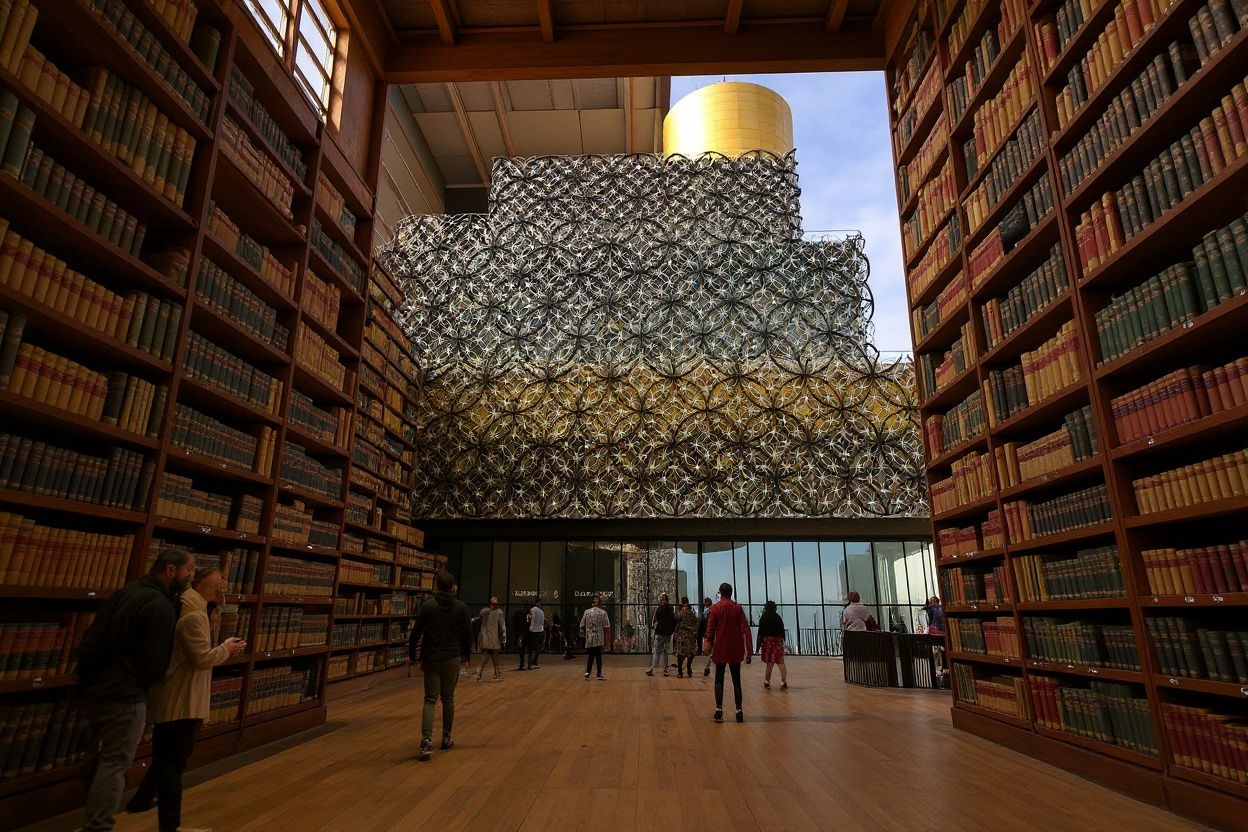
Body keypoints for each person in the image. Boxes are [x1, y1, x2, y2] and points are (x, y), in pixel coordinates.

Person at [75, 546, 194, 832]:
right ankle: (98, 825)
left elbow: (91, 640)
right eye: (189, 569)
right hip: (125, 695)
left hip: (94, 690)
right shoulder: (160, 605)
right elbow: (154, 663)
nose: (192, 575)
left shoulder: (124, 593)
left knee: (96, 759)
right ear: (170, 570)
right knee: (114, 763)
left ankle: (92, 817)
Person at [125, 568, 247, 832]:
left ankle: (141, 799)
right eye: (218, 578)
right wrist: (227, 648)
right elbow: (201, 658)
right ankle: (170, 825)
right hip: (181, 699)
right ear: (200, 582)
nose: (223, 583)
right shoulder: (192, 615)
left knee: (166, 756)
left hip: (180, 697)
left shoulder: (196, 609)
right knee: (174, 762)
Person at [408, 570, 472, 760]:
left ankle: (426, 740)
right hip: (452, 656)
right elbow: (467, 633)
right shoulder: (460, 607)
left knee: (430, 699)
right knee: (448, 698)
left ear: (437, 585)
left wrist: (413, 655)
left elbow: (416, 632)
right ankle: (446, 737)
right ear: (453, 587)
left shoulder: (429, 606)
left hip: (432, 657)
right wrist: (466, 654)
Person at [704, 582, 752, 723]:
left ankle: (719, 711)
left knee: (719, 679)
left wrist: (707, 644)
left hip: (721, 647)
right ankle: (739, 711)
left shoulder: (715, 608)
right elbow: (745, 628)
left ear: (720, 593)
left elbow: (710, 629)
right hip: (736, 647)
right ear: (731, 593)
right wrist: (749, 651)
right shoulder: (737, 608)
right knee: (736, 680)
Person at [756, 600, 788, 690]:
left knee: (770, 662)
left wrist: (759, 644)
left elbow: (760, 632)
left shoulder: (764, 617)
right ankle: (784, 681)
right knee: (780, 662)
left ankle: (767, 681)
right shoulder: (778, 617)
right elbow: (782, 631)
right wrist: (782, 642)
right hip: (777, 642)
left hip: (768, 642)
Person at [578, 594, 611, 680]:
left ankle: (587, 673)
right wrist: (607, 640)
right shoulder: (603, 613)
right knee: (598, 656)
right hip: (599, 637)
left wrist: (583, 634)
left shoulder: (586, 612)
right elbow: (607, 627)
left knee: (590, 656)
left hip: (589, 638)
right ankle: (599, 674)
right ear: (599, 603)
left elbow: (581, 625)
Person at [475, 596, 506, 681]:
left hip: (487, 637)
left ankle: (483, 673)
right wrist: (503, 638)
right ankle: (494, 673)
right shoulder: (498, 612)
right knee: (490, 655)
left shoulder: (484, 611)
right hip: (492, 637)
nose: (495, 605)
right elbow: (502, 626)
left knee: (489, 656)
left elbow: (479, 621)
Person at [645, 593, 676, 676]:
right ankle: (665, 669)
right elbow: (673, 621)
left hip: (659, 633)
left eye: (662, 599)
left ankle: (652, 668)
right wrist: (671, 631)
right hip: (667, 633)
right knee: (665, 652)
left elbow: (656, 619)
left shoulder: (659, 609)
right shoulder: (671, 609)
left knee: (656, 651)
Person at [673, 597, 698, 677]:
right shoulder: (692, 613)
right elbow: (696, 622)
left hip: (682, 636)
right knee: (690, 653)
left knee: (681, 654)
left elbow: (676, 618)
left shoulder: (681, 613)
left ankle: (680, 672)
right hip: (690, 636)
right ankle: (689, 669)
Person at [524, 598, 545, 670]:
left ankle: (532, 664)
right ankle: (533, 663)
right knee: (537, 648)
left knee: (532, 648)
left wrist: (530, 626)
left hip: (533, 631)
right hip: (540, 631)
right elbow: (541, 622)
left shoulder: (532, 610)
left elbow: (529, 619)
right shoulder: (541, 611)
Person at [698, 597, 714, 677]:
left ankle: (708, 667)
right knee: (710, 651)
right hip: (709, 633)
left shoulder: (709, 612)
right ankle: (707, 666)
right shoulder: (707, 612)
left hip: (710, 633)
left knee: (711, 651)